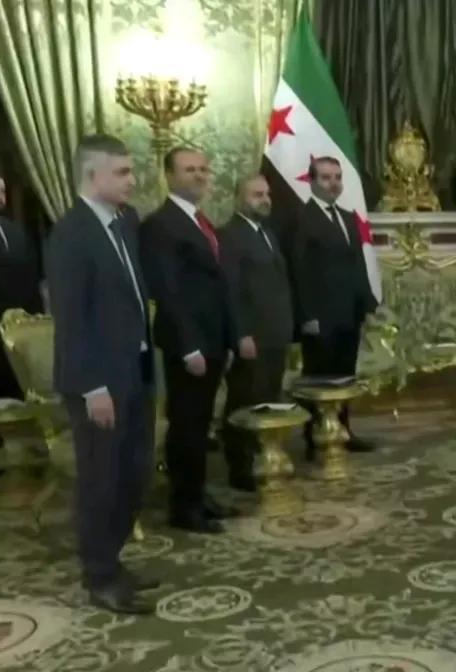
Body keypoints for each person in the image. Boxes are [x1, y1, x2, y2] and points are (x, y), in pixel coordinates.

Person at [49, 134, 158, 614]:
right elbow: (71, 318)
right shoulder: (70, 233)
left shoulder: (125, 222)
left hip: (135, 369)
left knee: (134, 472)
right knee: (102, 479)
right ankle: (100, 576)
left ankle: (113, 559)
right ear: (93, 175)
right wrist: (93, 387)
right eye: (122, 172)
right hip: (98, 382)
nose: (132, 180)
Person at [139, 147, 237, 534]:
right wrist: (189, 345)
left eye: (203, 169)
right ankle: (184, 507)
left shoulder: (199, 220)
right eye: (189, 169)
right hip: (189, 343)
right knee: (186, 425)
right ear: (169, 176)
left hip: (213, 340)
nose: (199, 175)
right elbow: (168, 291)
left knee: (200, 425)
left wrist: (227, 338)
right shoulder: (160, 225)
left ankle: (198, 495)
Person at [290, 157, 379, 457]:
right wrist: (307, 316)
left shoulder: (348, 217)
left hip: (348, 313)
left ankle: (343, 431)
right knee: (319, 378)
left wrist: (367, 303)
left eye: (338, 177)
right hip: (320, 316)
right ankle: (315, 437)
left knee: (344, 377)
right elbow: (299, 271)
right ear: (312, 181)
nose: (334, 183)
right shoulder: (302, 218)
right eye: (326, 177)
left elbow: (357, 264)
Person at [218, 175, 294, 492]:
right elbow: (230, 290)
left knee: (269, 398)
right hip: (252, 336)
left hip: (275, 332)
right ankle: (240, 465)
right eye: (256, 194)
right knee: (246, 399)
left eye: (267, 194)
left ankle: (265, 457)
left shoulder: (267, 233)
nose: (264, 200)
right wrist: (242, 334)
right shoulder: (229, 235)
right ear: (239, 198)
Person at [0, 166, 44, 498]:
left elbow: (30, 280)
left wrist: (36, 324)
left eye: (1, 192)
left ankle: (21, 474)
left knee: (17, 406)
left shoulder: (15, 232)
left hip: (18, 340)